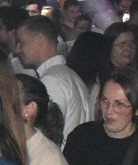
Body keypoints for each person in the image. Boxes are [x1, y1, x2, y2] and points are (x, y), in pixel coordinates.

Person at [15, 15, 90, 143]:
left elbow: (49, 135)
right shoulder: (70, 75)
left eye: (21, 43)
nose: (17, 50)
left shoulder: (51, 81)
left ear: (39, 40)